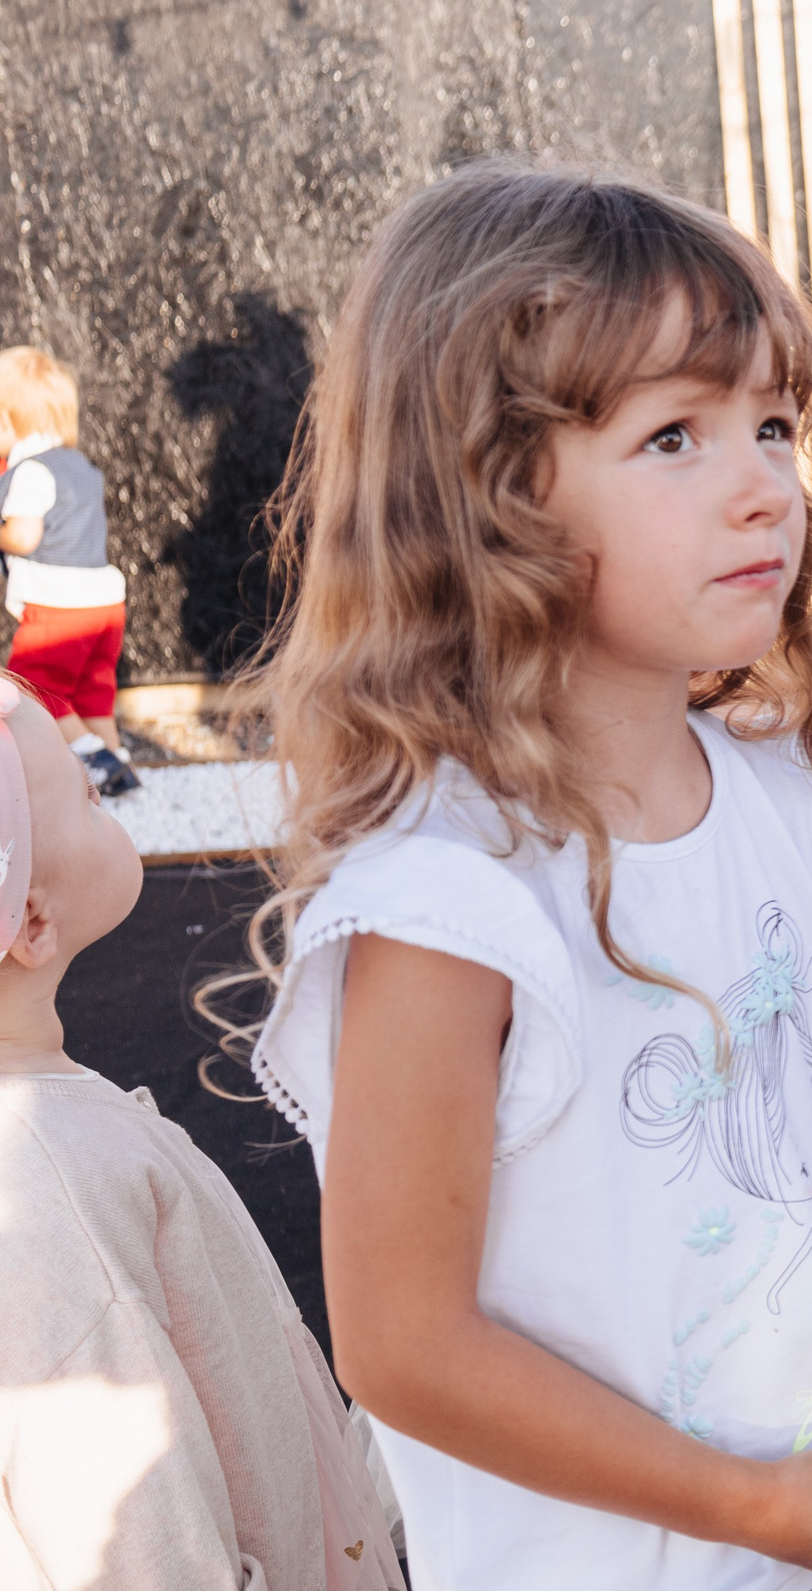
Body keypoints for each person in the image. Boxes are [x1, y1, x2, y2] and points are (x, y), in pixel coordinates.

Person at [237, 162, 812, 1591]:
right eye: (676, 435)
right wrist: (752, 1503)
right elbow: (404, 1346)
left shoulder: (798, 807)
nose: (764, 488)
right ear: (486, 497)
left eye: (777, 424)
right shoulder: (454, 899)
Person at [1, 673, 403, 1587]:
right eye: (90, 792)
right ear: (32, 920)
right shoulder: (53, 1196)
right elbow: (144, 1554)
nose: (104, 792)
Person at [0, 346, 140, 796]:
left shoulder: (31, 471)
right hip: (104, 605)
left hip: (59, 607)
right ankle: (120, 767)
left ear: (8, 419)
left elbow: (23, 536)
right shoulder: (79, 466)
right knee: (92, 691)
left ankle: (94, 762)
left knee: (35, 689)